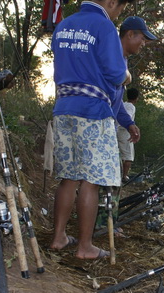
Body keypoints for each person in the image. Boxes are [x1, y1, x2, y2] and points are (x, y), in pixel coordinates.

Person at [48, 0, 134, 260]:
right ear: (110, 2)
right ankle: (85, 247)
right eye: (119, 9)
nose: (117, 14)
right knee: (91, 180)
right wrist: (127, 76)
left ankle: (59, 237)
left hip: (63, 107)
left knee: (69, 177)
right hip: (93, 110)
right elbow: (116, 73)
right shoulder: (104, 26)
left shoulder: (63, 25)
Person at [114, 16, 157, 182]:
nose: (144, 44)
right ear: (130, 34)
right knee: (94, 183)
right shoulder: (113, 54)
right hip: (96, 123)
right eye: (143, 39)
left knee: (107, 186)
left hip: (109, 127)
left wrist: (129, 124)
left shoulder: (123, 60)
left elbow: (115, 102)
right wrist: (127, 77)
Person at [117, 87, 139, 182]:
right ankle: (124, 176)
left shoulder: (123, 104)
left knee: (120, 154)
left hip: (116, 130)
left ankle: (119, 174)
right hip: (125, 131)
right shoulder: (131, 106)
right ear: (136, 98)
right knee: (128, 156)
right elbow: (128, 116)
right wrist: (132, 127)